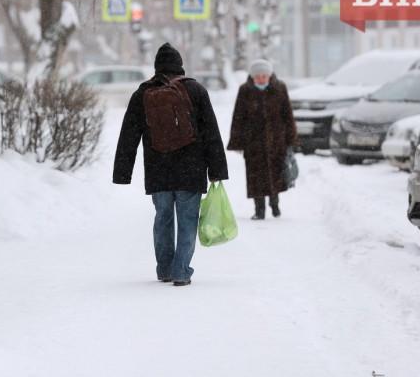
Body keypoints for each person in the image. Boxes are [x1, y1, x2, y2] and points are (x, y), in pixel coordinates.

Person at [113, 42, 229, 286]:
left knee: (163, 219)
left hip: (158, 169)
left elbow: (128, 135)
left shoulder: (142, 93)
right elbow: (211, 132)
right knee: (187, 221)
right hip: (191, 170)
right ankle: (181, 270)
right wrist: (217, 169)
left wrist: (122, 172)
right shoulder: (196, 90)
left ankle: (165, 269)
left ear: (157, 68)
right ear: (180, 67)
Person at [227, 59, 299, 220]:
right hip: (253, 143)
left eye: (264, 76)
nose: (261, 79)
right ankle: (259, 210)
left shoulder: (280, 88)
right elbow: (238, 117)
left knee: (275, 175)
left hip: (276, 142)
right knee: (256, 178)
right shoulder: (245, 90)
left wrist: (291, 140)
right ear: (252, 77)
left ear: (269, 75)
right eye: (257, 76)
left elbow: (288, 116)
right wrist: (237, 141)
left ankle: (275, 204)